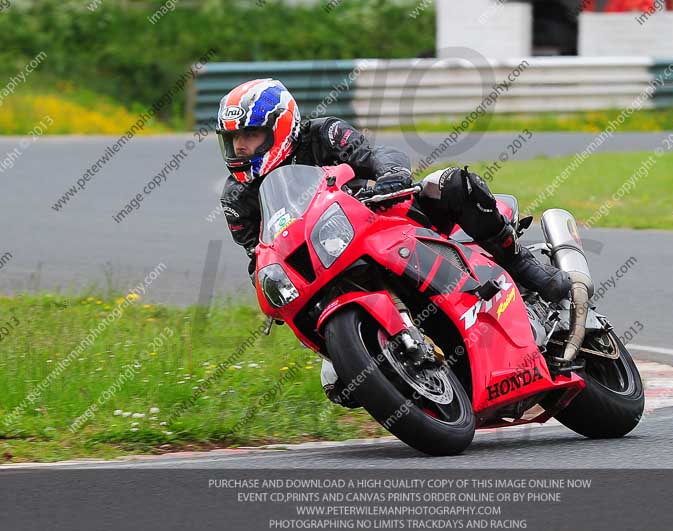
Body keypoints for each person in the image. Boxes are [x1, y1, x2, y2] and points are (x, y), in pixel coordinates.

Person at [216, 79, 571, 405]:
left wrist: (392, 175)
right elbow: (258, 253)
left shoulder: (323, 134)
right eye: (233, 139)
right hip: (330, 259)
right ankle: (413, 369)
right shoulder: (237, 197)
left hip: (391, 217)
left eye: (251, 135)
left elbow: (376, 155)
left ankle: (521, 264)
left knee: (451, 184)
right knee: (339, 384)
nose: (240, 146)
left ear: (280, 127)